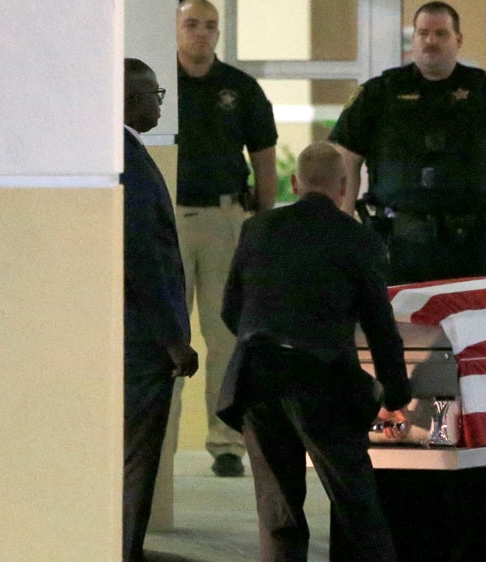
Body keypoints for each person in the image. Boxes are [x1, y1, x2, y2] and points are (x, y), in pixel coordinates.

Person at [216, 141, 412, 562]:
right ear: (345, 188)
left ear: (294, 183)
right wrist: (396, 395)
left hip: (257, 375)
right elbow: (381, 328)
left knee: (278, 510)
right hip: (322, 380)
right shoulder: (359, 240)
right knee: (356, 505)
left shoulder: (258, 229)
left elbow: (231, 309)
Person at [329, 1, 486, 283]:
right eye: (423, 33)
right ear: (414, 39)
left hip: (473, 244)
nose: (431, 41)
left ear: (458, 40)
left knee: (475, 322)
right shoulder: (379, 93)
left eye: (441, 33)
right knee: (400, 323)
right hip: (398, 242)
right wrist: (343, 222)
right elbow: (347, 156)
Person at [176, 0, 279, 477]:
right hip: (169, 219)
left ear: (219, 32)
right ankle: (158, 437)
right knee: (166, 334)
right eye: (192, 24)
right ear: (176, 28)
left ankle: (225, 443)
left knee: (225, 335)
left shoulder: (240, 89)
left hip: (225, 219)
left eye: (210, 26)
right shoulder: (152, 84)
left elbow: (263, 157)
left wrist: (265, 224)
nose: (201, 34)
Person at [121, 58, 200, 562]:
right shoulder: (127, 158)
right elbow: (144, 257)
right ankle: (124, 549)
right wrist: (174, 337)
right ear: (132, 100)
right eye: (156, 94)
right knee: (137, 460)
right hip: (142, 343)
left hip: (135, 336)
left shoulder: (128, 152)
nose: (160, 102)